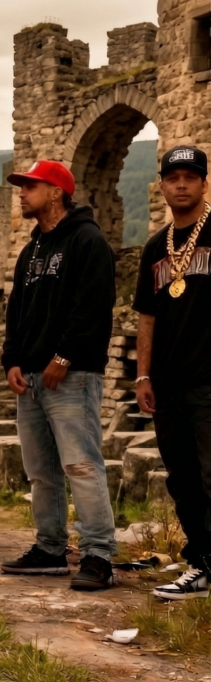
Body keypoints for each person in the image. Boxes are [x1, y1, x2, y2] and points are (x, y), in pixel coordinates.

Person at [0, 160, 118, 591]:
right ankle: (50, 548)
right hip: (30, 377)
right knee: (41, 471)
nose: (21, 192)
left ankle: (99, 555)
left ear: (55, 192)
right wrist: (11, 360)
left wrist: (64, 357)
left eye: (30, 186)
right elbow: (16, 311)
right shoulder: (31, 251)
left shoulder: (88, 241)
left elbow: (94, 307)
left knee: (81, 465)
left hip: (72, 376)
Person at [134, 146, 211, 600]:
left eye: (190, 177)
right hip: (166, 382)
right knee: (182, 479)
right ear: (161, 185)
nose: (181, 184)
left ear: (204, 183)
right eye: (173, 177)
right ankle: (201, 565)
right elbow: (147, 317)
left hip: (208, 378)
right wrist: (143, 376)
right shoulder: (154, 247)